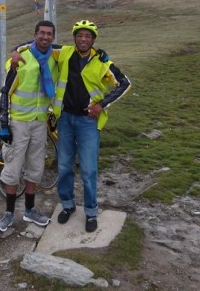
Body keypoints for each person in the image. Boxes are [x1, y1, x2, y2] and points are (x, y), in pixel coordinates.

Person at [11, 19, 132, 232]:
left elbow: (125, 83)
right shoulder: (64, 52)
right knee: (65, 167)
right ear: (74, 37)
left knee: (88, 170)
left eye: (88, 36)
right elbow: (36, 44)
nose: (83, 39)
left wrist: (102, 104)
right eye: (80, 35)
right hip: (65, 119)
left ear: (93, 40)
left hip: (88, 122)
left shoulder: (102, 61)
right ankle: (67, 205)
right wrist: (14, 51)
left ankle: (91, 212)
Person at [0, 20, 59, 232]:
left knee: (35, 167)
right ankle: (9, 214)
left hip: (39, 123)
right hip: (18, 123)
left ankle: (30, 211)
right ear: (35, 34)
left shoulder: (54, 57)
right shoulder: (21, 56)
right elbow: (5, 92)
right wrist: (4, 124)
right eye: (41, 33)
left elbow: (78, 50)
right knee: (12, 167)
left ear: (53, 37)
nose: (45, 37)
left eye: (49, 34)